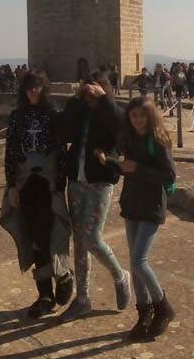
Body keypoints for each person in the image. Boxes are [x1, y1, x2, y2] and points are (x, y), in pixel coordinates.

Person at [0, 71, 73, 319]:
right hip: (25, 185)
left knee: (53, 234)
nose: (33, 91)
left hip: (47, 184)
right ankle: (45, 296)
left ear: (44, 89)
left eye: (37, 86)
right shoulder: (17, 116)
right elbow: (11, 151)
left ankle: (63, 276)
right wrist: (11, 185)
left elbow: (61, 150)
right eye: (29, 86)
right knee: (32, 238)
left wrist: (60, 183)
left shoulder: (52, 114)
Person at [58, 71, 131, 321]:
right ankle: (82, 299)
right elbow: (63, 133)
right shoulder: (79, 111)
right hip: (76, 181)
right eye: (87, 93)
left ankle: (120, 276)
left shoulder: (112, 111)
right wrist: (75, 101)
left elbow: (123, 131)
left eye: (94, 93)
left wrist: (104, 100)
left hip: (100, 181)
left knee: (91, 237)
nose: (90, 98)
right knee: (79, 242)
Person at [115, 96, 177, 340]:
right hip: (132, 204)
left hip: (152, 206)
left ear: (150, 116)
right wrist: (114, 163)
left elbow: (169, 175)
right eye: (134, 115)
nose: (138, 119)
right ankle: (144, 314)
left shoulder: (159, 140)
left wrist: (137, 168)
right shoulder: (129, 139)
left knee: (139, 261)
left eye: (142, 115)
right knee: (134, 263)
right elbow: (126, 167)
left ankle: (163, 306)